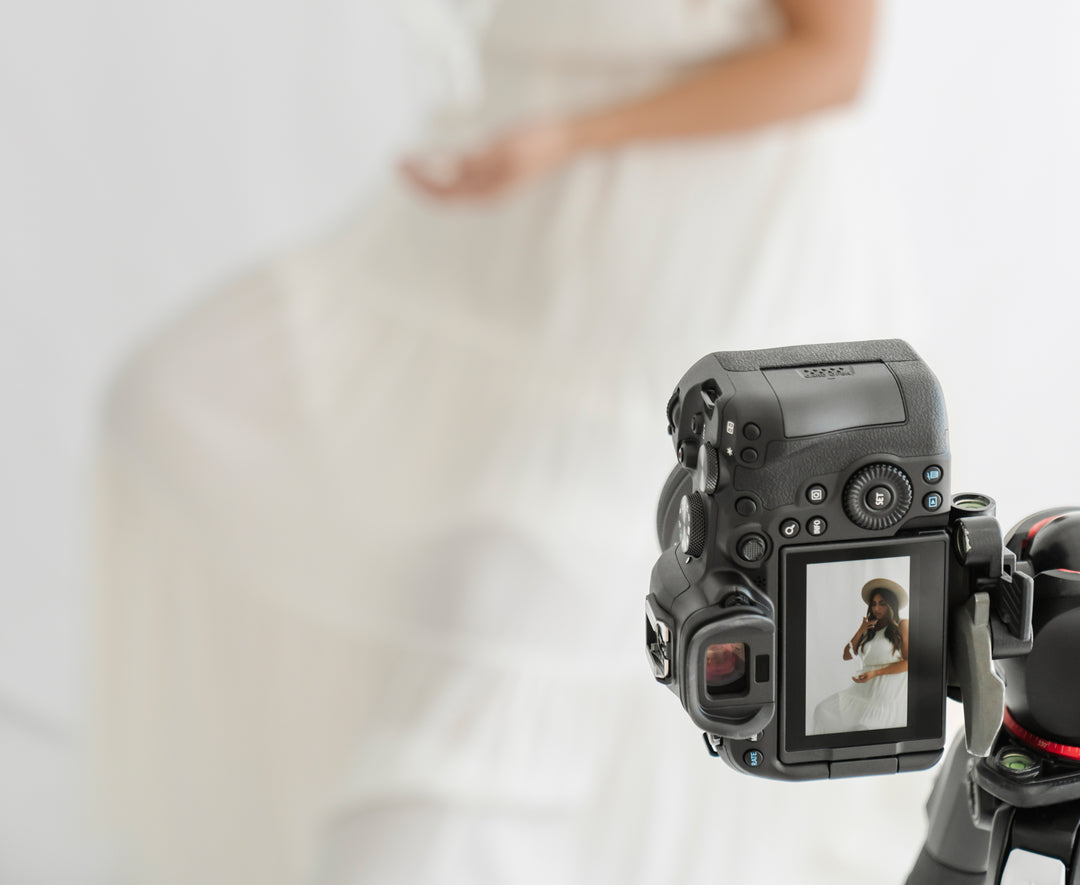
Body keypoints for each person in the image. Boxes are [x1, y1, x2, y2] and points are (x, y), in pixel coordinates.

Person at [94, 2, 915, 884]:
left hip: (681, 266)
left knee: (524, 590)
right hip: (501, 246)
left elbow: (834, 61)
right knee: (178, 404)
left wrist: (570, 134)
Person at [812, 579, 910, 734]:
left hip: (886, 691)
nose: (877, 608)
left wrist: (875, 673)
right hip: (862, 690)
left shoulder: (902, 625)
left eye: (882, 603)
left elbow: (909, 663)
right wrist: (861, 629)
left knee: (863, 729)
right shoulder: (870, 629)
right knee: (822, 711)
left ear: (892, 604)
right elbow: (846, 655)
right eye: (874, 604)